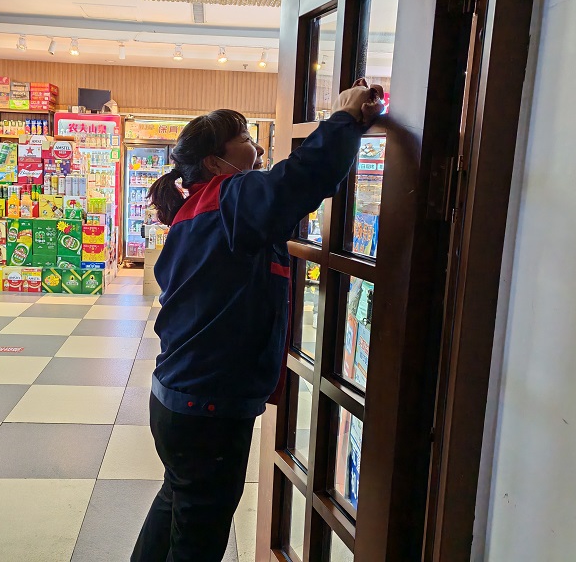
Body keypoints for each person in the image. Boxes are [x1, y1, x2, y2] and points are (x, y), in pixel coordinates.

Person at [131, 79, 385, 562]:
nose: (259, 148)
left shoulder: (198, 207)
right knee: (199, 535)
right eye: (246, 139)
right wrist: (344, 118)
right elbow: (301, 180)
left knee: (178, 500)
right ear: (215, 162)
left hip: (178, 398)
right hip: (208, 405)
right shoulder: (228, 198)